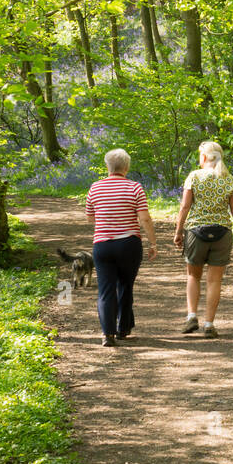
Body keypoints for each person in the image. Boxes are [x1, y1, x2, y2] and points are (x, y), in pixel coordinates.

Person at [84, 149, 157, 347]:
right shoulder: (135, 188)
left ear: (108, 167)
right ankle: (123, 329)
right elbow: (144, 218)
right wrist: (153, 243)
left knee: (106, 290)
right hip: (128, 244)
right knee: (125, 285)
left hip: (102, 245)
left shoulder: (95, 188)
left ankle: (107, 334)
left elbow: (91, 218)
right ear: (126, 167)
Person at [173, 141, 233, 338]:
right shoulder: (228, 179)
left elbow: (185, 207)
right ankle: (209, 324)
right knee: (214, 281)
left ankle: (191, 317)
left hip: (196, 232)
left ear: (203, 157)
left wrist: (179, 230)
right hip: (222, 233)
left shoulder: (194, 176)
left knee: (193, 276)